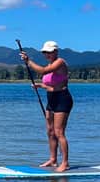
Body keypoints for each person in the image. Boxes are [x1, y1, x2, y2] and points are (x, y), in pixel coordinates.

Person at [20, 40, 73, 172]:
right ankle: (53, 159)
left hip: (63, 99)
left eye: (49, 52)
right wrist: (41, 86)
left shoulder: (60, 62)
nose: (47, 54)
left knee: (59, 132)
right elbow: (51, 86)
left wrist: (28, 61)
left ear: (56, 51)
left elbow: (43, 71)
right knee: (50, 131)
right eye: (45, 52)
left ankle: (65, 163)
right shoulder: (50, 63)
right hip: (52, 99)